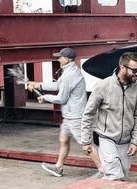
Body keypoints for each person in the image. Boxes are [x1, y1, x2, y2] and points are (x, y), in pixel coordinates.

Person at [28, 47, 102, 177]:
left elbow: (61, 98)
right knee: (64, 140)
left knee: (87, 144)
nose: (58, 59)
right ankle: (58, 167)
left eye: (60, 57)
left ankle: (104, 171)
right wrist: (38, 85)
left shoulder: (69, 75)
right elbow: (58, 85)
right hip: (69, 116)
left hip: (76, 117)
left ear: (67, 59)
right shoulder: (69, 71)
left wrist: (45, 97)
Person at [80, 52, 137, 181]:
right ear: (122, 67)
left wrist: (135, 142)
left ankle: (97, 183)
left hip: (126, 141)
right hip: (106, 138)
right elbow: (89, 113)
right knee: (115, 175)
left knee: (123, 175)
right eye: (134, 70)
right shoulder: (103, 86)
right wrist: (86, 141)